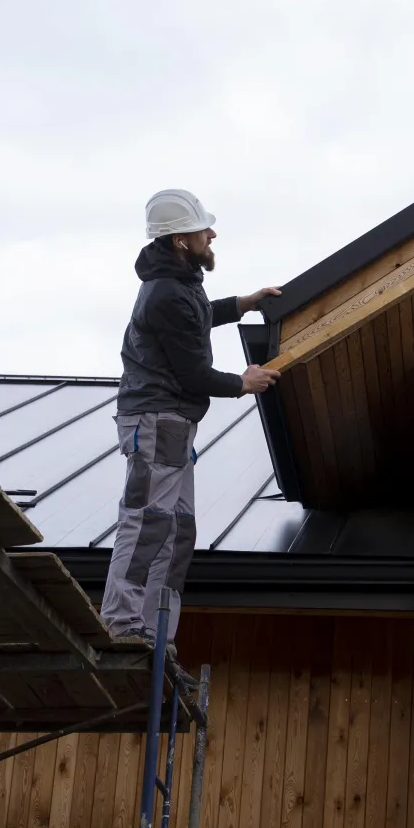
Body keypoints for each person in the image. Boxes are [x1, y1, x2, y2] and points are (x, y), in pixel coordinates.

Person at [101, 189, 281, 644]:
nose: (212, 234)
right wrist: (243, 382)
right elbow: (193, 372)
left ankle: (156, 631)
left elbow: (198, 316)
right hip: (156, 420)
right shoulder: (165, 293)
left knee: (178, 530)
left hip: (173, 423)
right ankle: (123, 625)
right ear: (181, 240)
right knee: (147, 522)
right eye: (204, 229)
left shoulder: (178, 284)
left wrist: (244, 303)